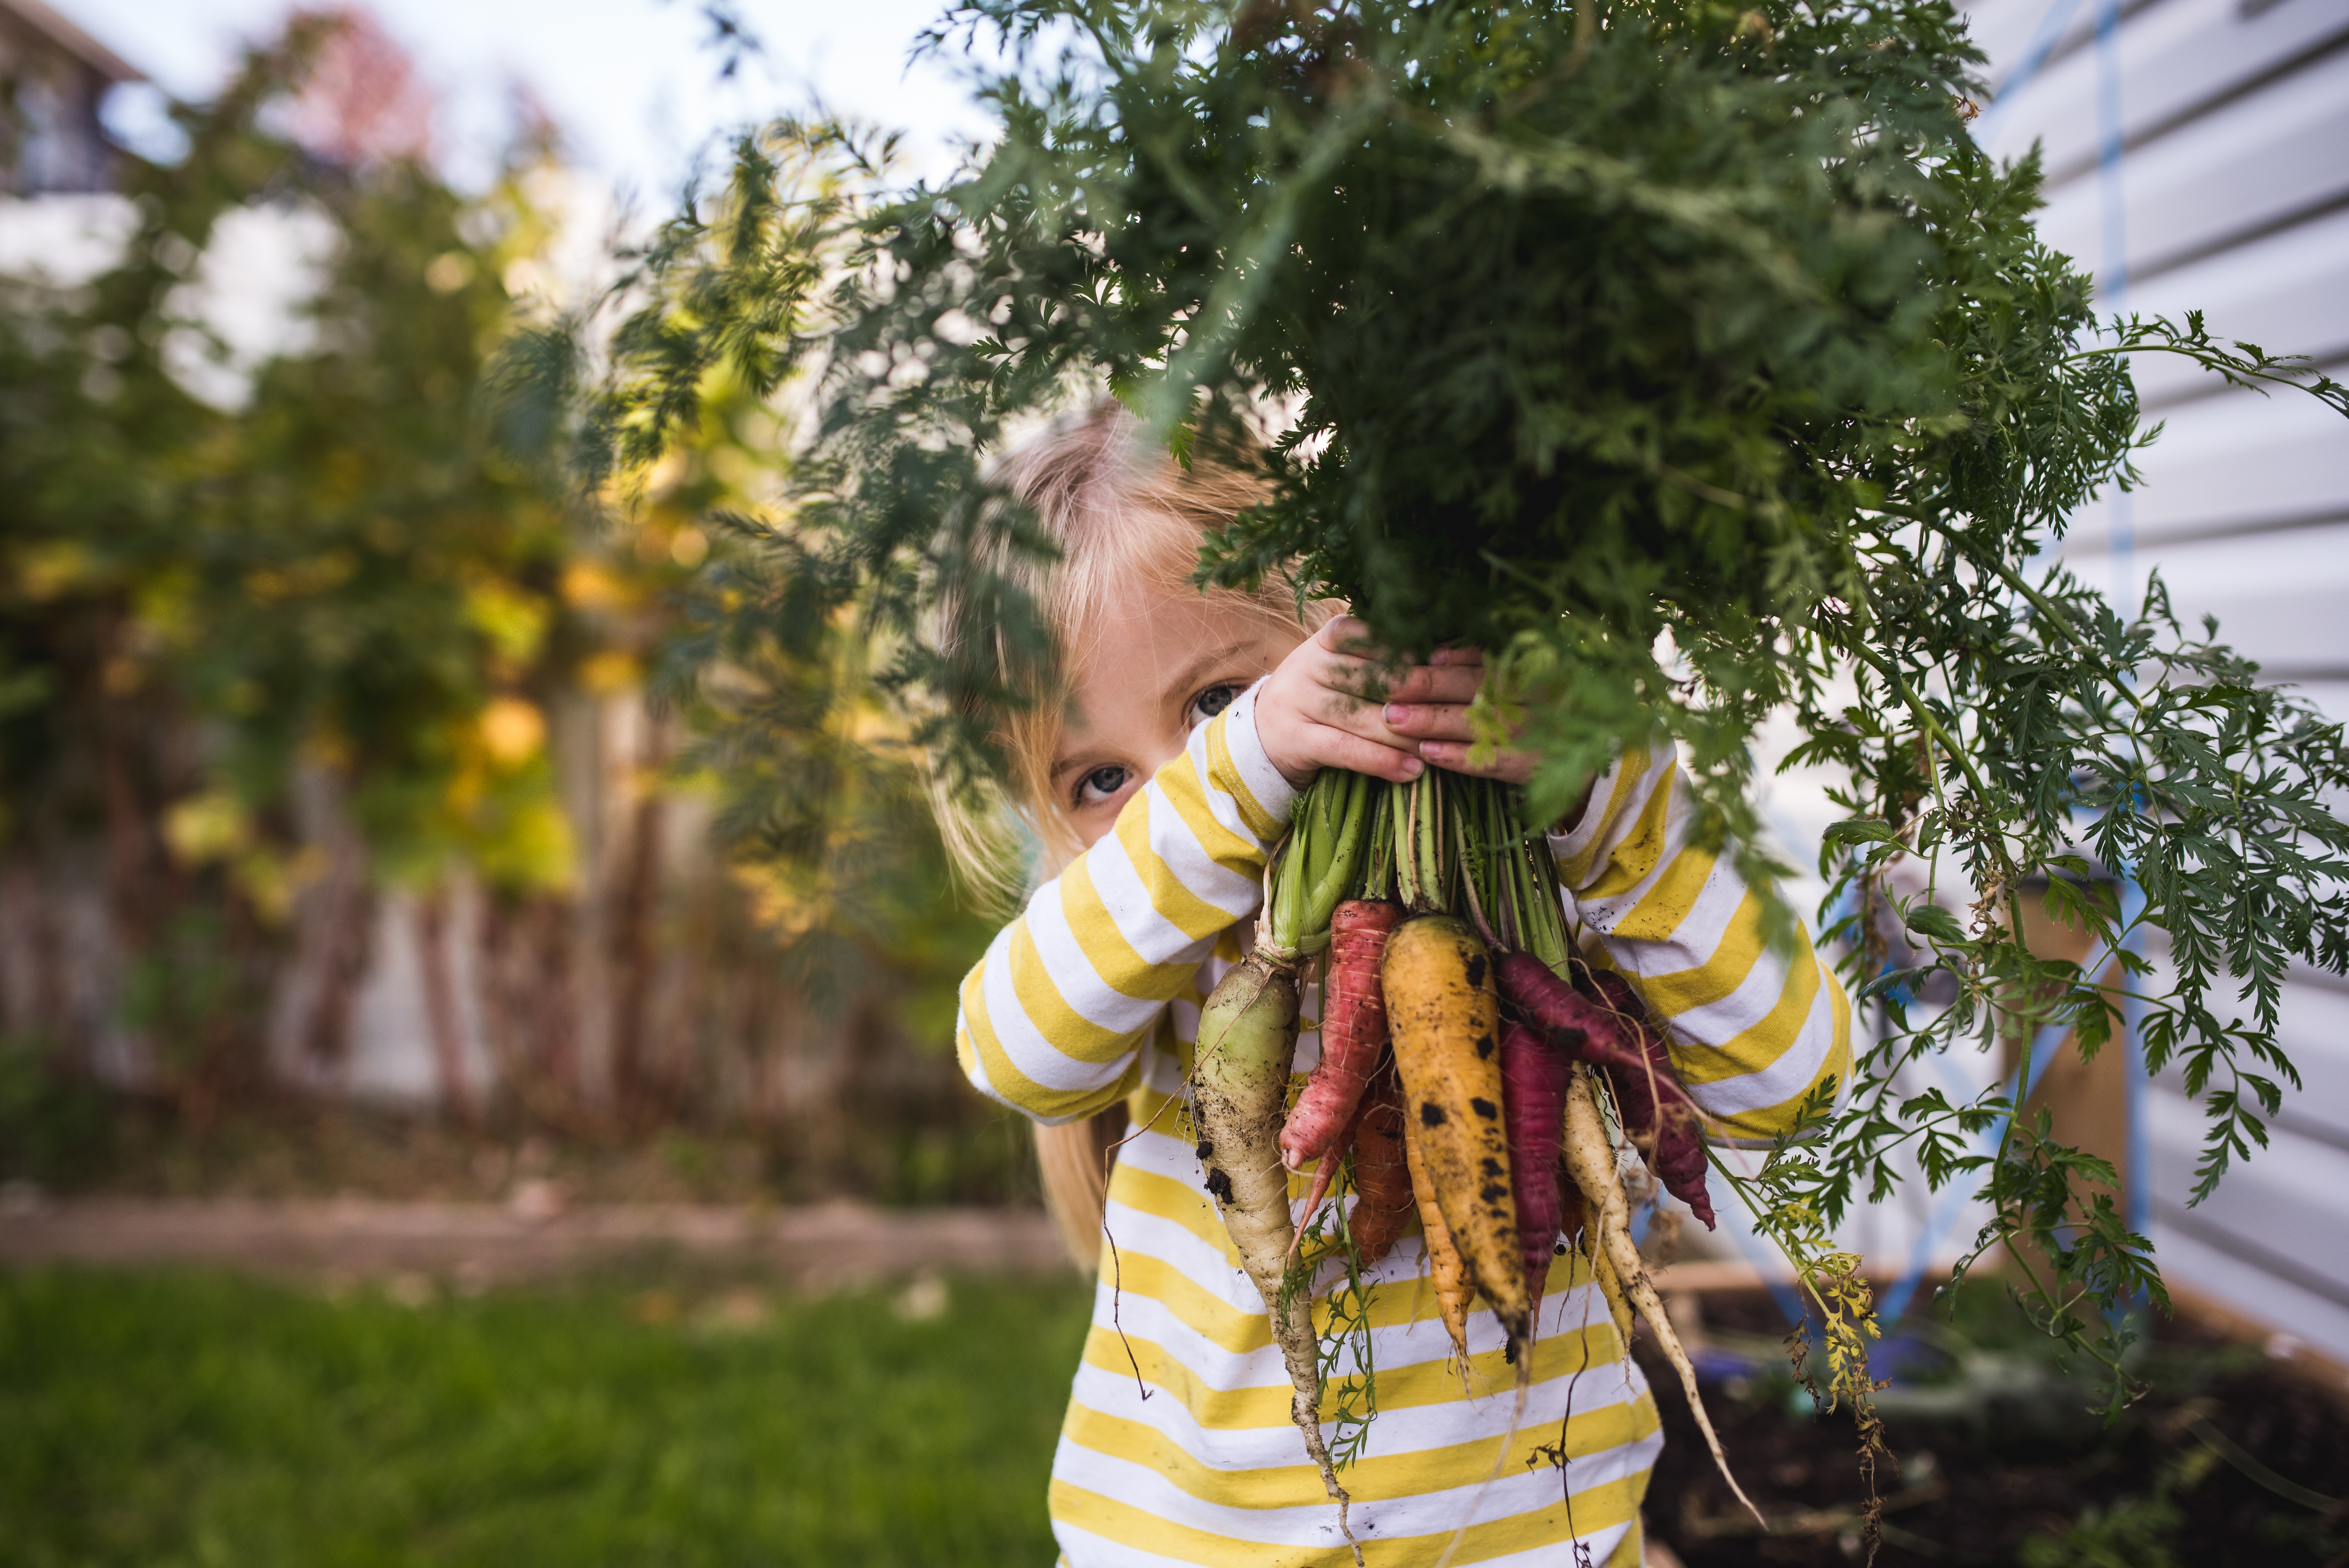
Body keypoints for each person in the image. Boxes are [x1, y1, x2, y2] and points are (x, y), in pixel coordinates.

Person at [934, 405, 1850, 1567]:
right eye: (1101, 776)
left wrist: (1600, 799)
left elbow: (1794, 1081)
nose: (1179, 779)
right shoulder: (1150, 943)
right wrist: (1243, 762)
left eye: (1216, 700)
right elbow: (1012, 1049)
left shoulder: (1539, 868)